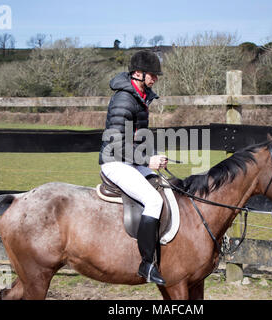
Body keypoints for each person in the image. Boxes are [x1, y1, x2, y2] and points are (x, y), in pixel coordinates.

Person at [99, 50, 168, 285]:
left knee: (167, 188)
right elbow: (116, 143)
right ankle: (147, 264)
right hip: (115, 163)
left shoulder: (141, 97)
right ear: (138, 73)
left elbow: (138, 138)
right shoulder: (124, 99)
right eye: (152, 74)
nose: (155, 78)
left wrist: (154, 155)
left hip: (130, 161)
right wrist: (148, 161)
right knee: (154, 201)